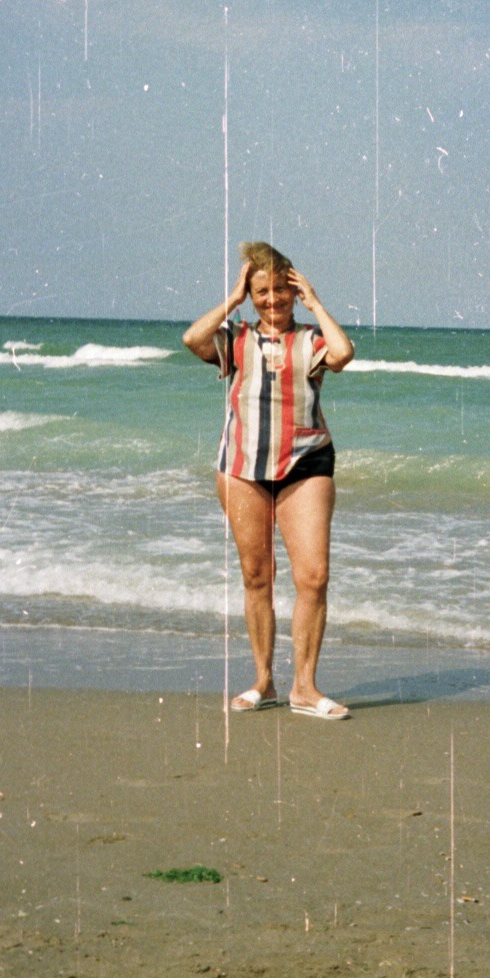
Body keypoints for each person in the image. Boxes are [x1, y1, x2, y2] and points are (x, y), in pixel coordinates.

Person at [183, 242, 355, 720]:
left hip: (306, 464)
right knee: (257, 576)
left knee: (313, 576)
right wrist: (232, 299)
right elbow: (192, 340)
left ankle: (305, 686)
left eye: (282, 290)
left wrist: (317, 304)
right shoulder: (236, 338)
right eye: (263, 291)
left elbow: (343, 353)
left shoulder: (309, 341)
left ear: (294, 292)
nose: (273, 300)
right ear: (251, 294)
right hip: (242, 469)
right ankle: (264, 681)